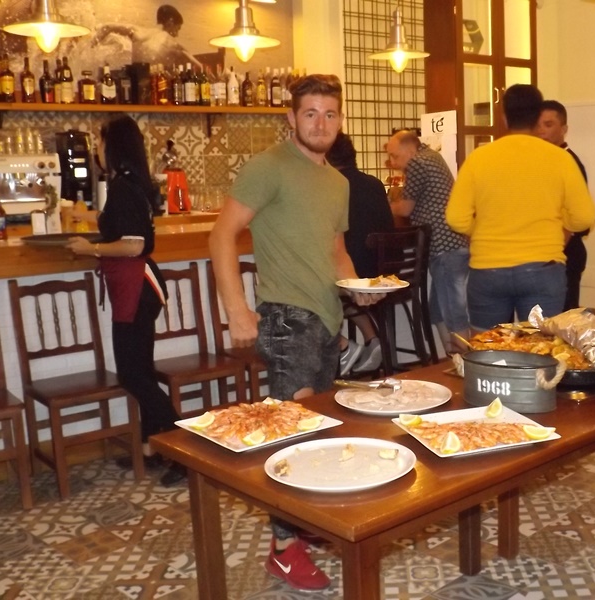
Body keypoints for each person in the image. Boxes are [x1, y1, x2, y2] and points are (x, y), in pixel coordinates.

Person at [208, 74, 381, 592]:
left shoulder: (338, 182)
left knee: (319, 428)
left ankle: (303, 524)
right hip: (286, 317)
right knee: (296, 432)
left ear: (340, 120)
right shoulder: (268, 167)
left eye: (330, 114)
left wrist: (358, 288)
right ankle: (284, 549)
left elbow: (335, 250)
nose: (321, 124)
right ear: (291, 118)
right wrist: (237, 310)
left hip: (327, 317)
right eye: (310, 113)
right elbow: (221, 234)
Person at [66, 115, 185, 487]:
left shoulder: (122, 187)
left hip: (137, 287)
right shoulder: (132, 183)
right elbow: (126, 228)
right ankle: (152, 448)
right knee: (142, 372)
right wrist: (89, 222)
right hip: (138, 287)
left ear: (113, 146)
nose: (97, 151)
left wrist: (90, 248)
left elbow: (133, 244)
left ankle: (185, 450)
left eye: (100, 143)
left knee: (132, 375)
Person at [445, 84, 595, 329]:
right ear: (537, 118)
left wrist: (480, 232)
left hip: (488, 269)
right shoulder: (560, 159)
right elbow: (583, 218)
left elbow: (455, 218)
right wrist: (558, 228)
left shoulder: (478, 158)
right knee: (539, 345)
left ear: (504, 117)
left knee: (489, 345)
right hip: (543, 267)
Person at [385, 129, 470, 353]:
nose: (393, 162)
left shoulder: (417, 163)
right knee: (438, 310)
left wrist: (382, 205)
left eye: (395, 156)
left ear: (409, 150)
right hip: (453, 245)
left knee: (453, 311)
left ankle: (464, 364)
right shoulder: (433, 156)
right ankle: (454, 359)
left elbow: (405, 208)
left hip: (444, 248)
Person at [326, 131, 394, 374]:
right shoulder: (374, 184)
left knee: (322, 288)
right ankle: (370, 339)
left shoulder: (331, 187)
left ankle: (345, 347)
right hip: (383, 270)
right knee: (338, 286)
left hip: (353, 272)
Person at [535, 99, 590, 310]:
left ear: (564, 129)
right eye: (538, 125)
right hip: (543, 255)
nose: (541, 131)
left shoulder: (569, 162)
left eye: (548, 125)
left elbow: (577, 218)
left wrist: (552, 253)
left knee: (563, 320)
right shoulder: (540, 160)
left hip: (564, 253)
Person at [93, 5, 202, 69]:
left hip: (134, 82)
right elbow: (199, 67)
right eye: (177, 29)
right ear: (170, 22)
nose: (177, 34)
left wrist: (91, 46)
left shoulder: (139, 31)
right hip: (153, 85)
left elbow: (107, 27)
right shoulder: (173, 43)